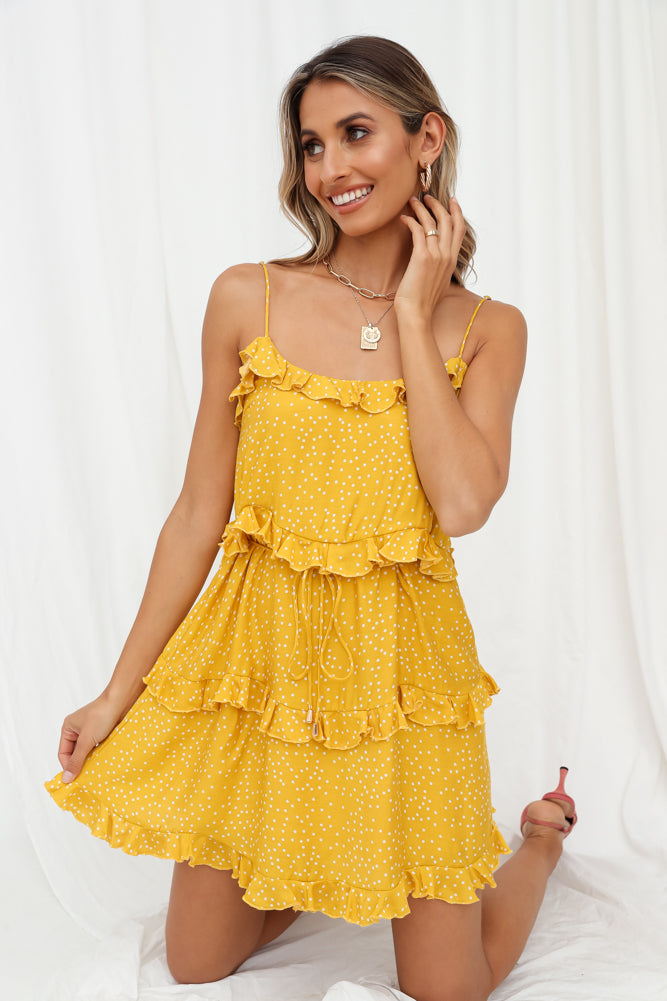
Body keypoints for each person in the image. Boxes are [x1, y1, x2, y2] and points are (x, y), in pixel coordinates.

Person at [45, 35, 577, 1001]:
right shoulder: (245, 297)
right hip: (263, 670)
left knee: (448, 990)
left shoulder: (488, 327)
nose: (330, 167)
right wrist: (114, 695)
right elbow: (196, 514)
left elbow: (463, 505)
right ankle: (324, 865)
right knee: (195, 961)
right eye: (311, 145)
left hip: (403, 678)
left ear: (426, 140)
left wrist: (412, 313)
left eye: (355, 133)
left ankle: (537, 842)